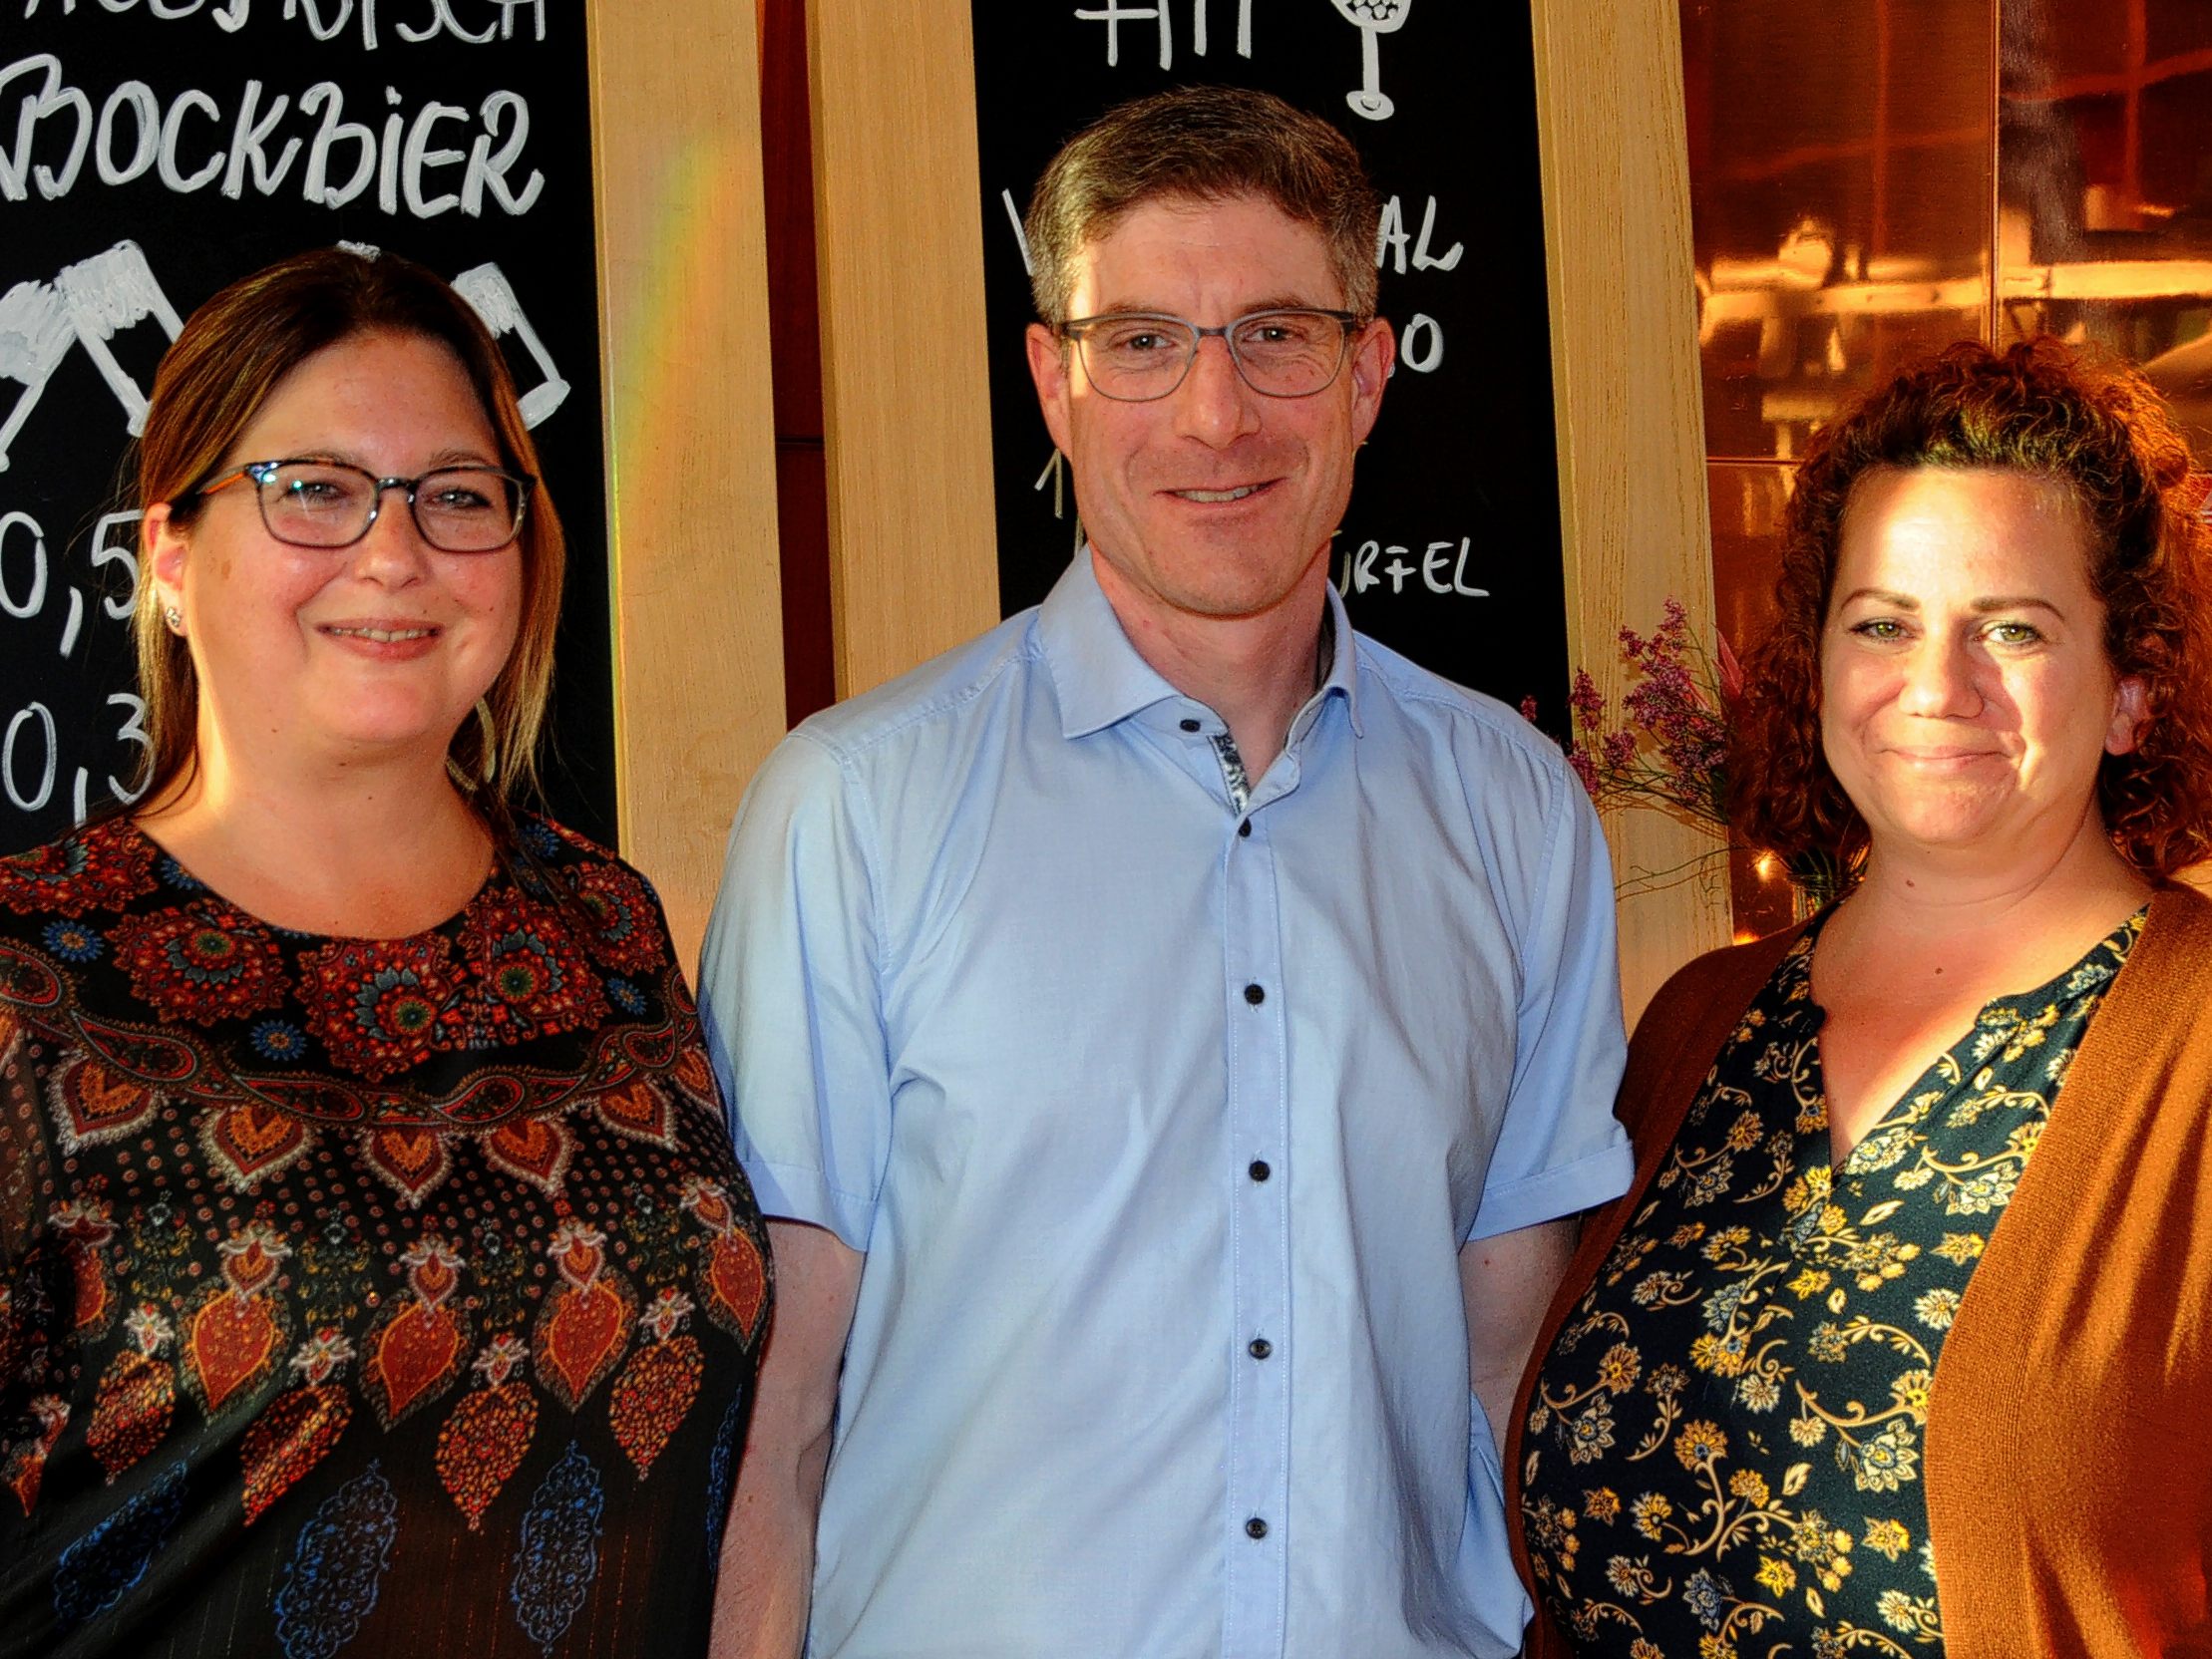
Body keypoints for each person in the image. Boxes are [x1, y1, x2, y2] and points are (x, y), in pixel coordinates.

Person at [700, 86, 1632, 1659]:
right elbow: (773, 1417)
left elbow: (1506, 1382)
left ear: (1367, 373)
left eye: (1275, 333)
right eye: (1140, 342)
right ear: (1051, 383)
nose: (1215, 415)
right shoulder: (851, 809)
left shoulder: (1516, 812)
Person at [0, 247, 770, 1656]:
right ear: (170, 554)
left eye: (456, 497)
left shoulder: (607, 926)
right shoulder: (27, 975)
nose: (395, 553)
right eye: (314, 490)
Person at [1511, 337, 2212, 1659]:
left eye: (2010, 628)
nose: (1933, 688)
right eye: (1880, 622)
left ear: (2130, 687)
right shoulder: (1698, 1025)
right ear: (1818, 664)